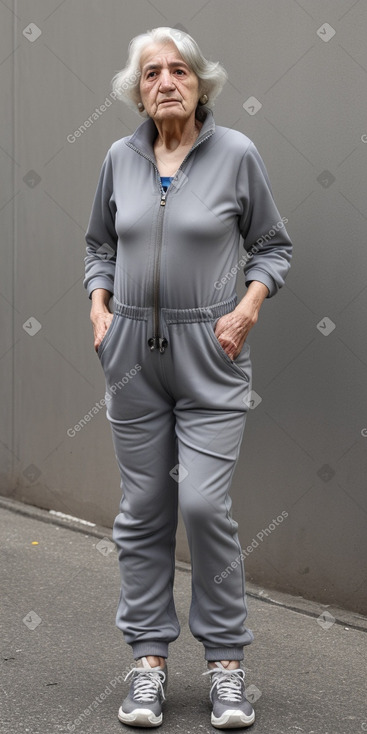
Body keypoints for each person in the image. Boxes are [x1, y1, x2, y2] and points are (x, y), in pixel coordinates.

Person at [84, 26, 292, 730]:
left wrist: (245, 309)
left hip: (212, 356)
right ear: (136, 91)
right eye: (150, 73)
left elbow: (271, 247)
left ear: (200, 83)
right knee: (141, 514)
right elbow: (99, 246)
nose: (164, 81)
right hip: (132, 363)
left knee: (203, 508)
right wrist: (99, 308)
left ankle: (226, 666)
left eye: (178, 70)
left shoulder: (236, 155)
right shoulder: (119, 158)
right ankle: (147, 662)